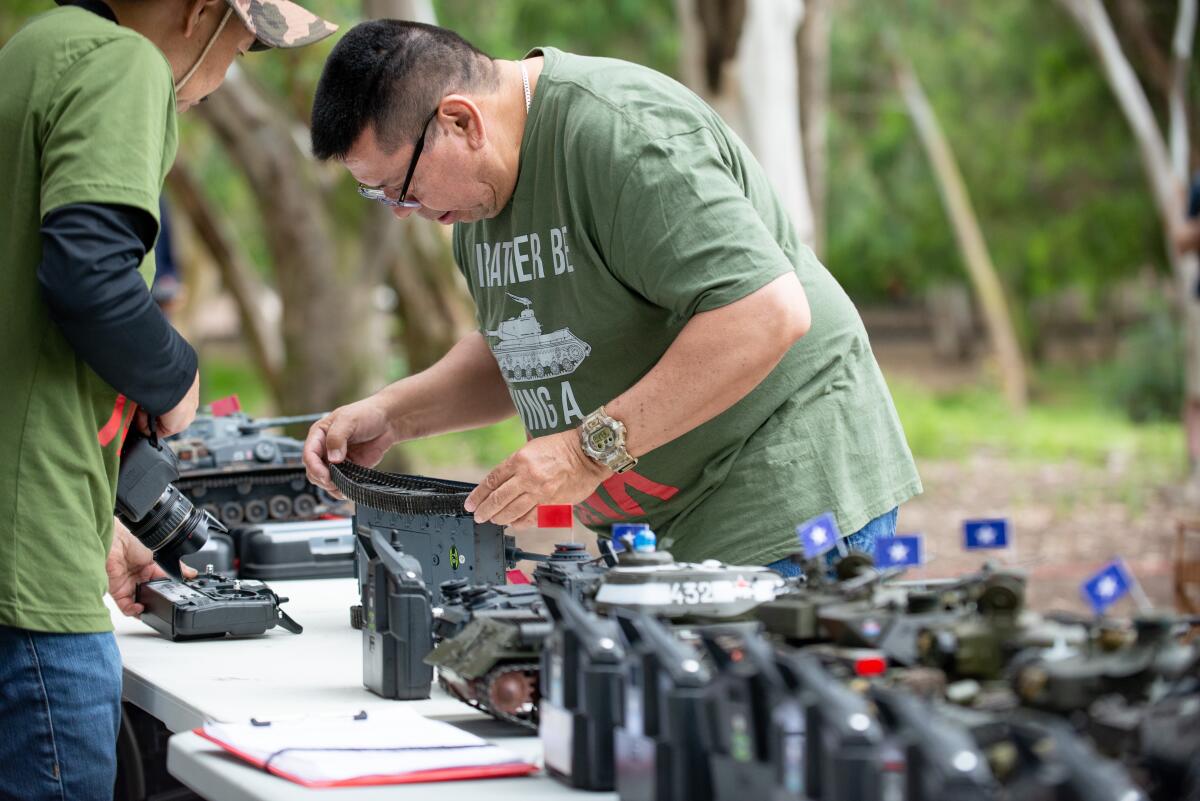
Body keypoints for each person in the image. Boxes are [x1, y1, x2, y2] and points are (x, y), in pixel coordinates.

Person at [303, 21, 922, 575]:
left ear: (461, 121)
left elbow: (764, 313)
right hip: (652, 532)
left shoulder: (623, 134)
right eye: (380, 198)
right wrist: (394, 412)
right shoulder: (473, 198)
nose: (406, 213)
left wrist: (583, 451)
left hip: (781, 508)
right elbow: (527, 352)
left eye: (400, 188)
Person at [0, 1, 335, 798]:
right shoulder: (125, 62)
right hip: (32, 582)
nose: (222, 78)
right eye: (246, 47)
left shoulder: (27, 54)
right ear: (199, 13)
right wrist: (175, 375)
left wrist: (100, 522)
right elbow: (87, 272)